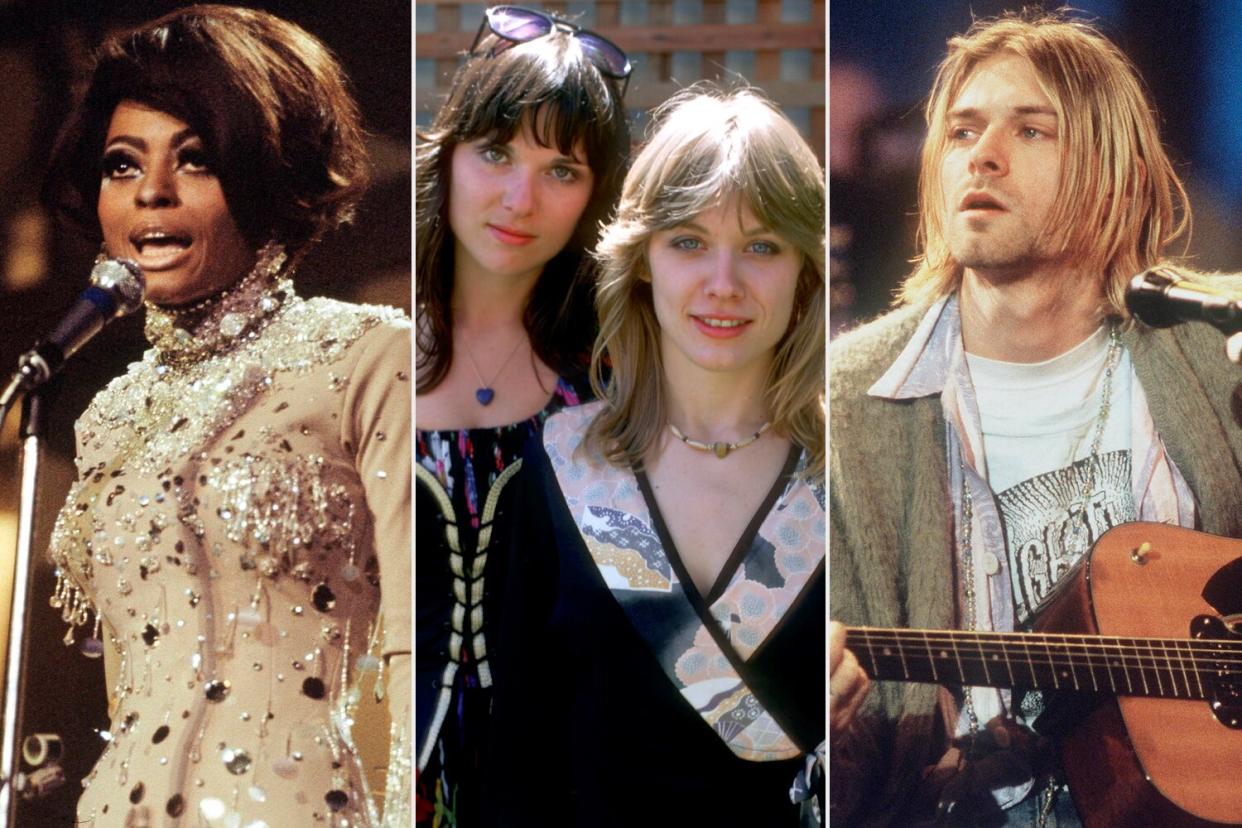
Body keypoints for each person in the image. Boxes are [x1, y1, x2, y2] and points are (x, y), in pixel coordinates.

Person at [829, 11, 1242, 825]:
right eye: (961, 131)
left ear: (1112, 169)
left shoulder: (1212, 352)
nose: (981, 156)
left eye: (1031, 130)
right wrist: (823, 726)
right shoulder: (852, 401)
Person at [40, 6, 411, 826]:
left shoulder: (365, 358)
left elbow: (426, 650)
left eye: (196, 159)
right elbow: (127, 681)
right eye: (121, 164)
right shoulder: (108, 413)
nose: (152, 193)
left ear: (266, 174)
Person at [489, 85, 826, 826]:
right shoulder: (559, 464)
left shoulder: (849, 475)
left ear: (805, 271)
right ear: (641, 260)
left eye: (763, 246)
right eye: (688, 242)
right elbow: (515, 760)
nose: (723, 284)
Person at [413, 6, 630, 825]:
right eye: (497, 153)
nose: (519, 197)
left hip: (559, 785)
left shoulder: (613, 380)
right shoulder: (375, 352)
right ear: (452, 156)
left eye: (561, 170)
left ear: (594, 195)